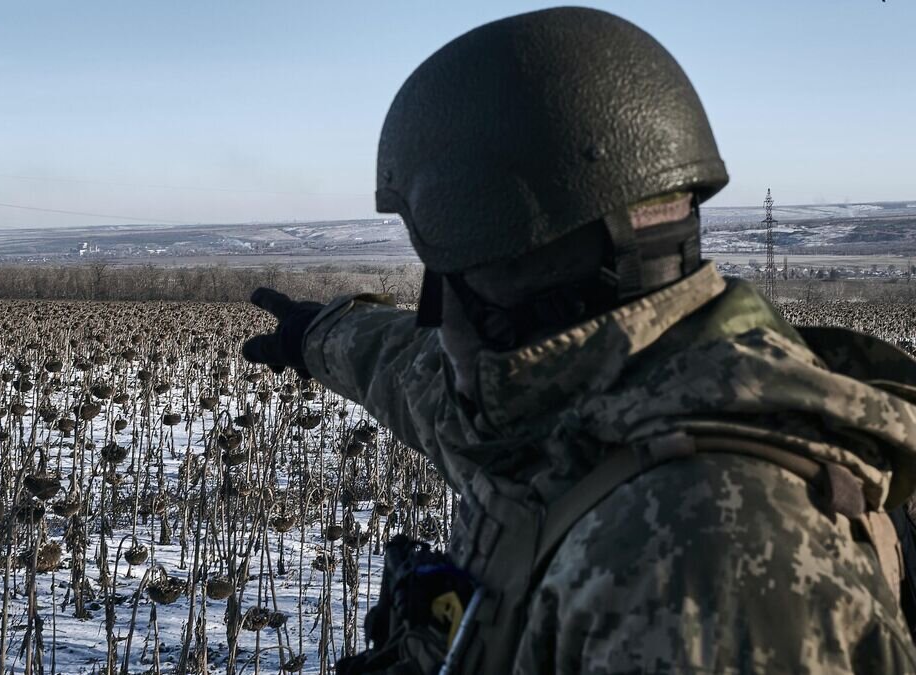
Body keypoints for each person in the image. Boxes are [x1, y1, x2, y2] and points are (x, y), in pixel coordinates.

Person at [243, 7, 916, 674]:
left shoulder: (701, 558)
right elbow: (416, 378)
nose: (437, 313)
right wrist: (319, 335)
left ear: (513, 272)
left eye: (447, 274)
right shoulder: (583, 406)